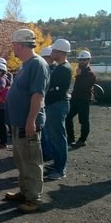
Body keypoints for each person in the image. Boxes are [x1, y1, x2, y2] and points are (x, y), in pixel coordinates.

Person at [4, 29, 50, 213]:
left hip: (27, 123)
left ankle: (34, 198)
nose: (13, 48)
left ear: (21, 45)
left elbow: (37, 95)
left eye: (14, 44)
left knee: (31, 161)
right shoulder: (26, 65)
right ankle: (24, 192)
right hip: (18, 122)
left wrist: (31, 121)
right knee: (21, 160)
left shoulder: (37, 64)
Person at [44, 39, 72, 180]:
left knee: (58, 138)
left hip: (57, 105)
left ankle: (60, 169)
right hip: (55, 105)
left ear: (60, 53)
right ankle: (57, 164)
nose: (52, 53)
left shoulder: (63, 69)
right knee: (55, 137)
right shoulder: (61, 68)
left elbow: (49, 86)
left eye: (54, 51)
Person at [66, 50, 96, 148]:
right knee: (68, 117)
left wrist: (78, 75)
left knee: (83, 120)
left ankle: (82, 140)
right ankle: (71, 138)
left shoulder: (90, 74)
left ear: (88, 60)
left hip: (83, 100)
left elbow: (81, 87)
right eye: (80, 59)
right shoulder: (80, 70)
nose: (82, 61)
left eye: (84, 60)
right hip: (75, 99)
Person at [39, 46, 56, 161]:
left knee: (47, 130)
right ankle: (46, 151)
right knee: (45, 130)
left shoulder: (51, 70)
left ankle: (48, 152)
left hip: (49, 103)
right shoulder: (50, 68)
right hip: (47, 102)